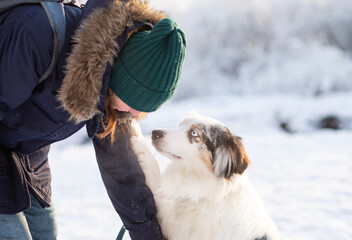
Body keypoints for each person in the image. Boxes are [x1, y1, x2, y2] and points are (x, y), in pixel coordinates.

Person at [0, 0, 186, 239]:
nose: (134, 115)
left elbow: (123, 173)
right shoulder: (36, 35)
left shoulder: (110, 91)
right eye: (134, 104)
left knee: (45, 234)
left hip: (26, 157)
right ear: (120, 78)